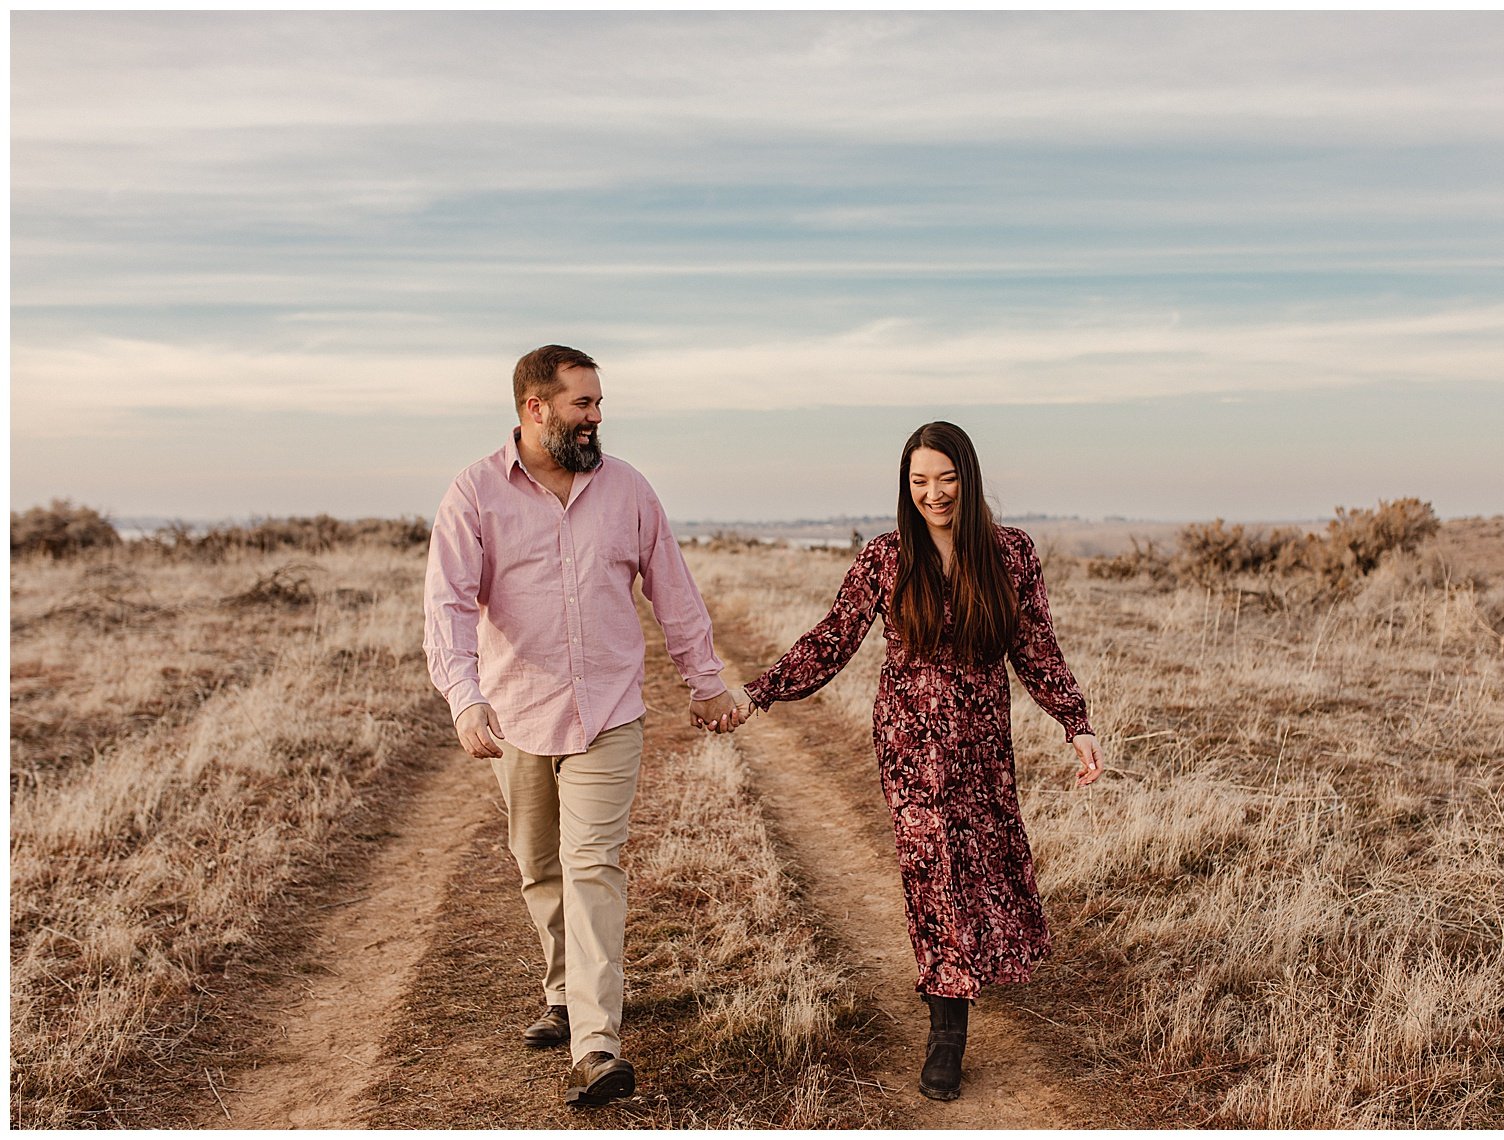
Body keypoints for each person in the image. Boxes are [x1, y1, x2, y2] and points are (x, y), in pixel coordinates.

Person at [729, 420, 1103, 1102]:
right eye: (919, 481)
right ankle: (946, 1027)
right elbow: (833, 639)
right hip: (909, 744)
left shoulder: (1010, 553)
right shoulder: (886, 557)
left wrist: (1075, 723)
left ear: (970, 476)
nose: (934, 493)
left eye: (947, 478)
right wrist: (760, 691)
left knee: (982, 865)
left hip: (983, 742)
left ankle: (966, 976)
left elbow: (1036, 649)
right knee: (931, 871)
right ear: (906, 486)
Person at [422, 344, 739, 1108]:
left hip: (607, 712)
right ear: (536, 408)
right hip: (519, 715)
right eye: (583, 404)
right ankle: (563, 993)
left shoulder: (627, 489)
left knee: (592, 864)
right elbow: (450, 606)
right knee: (538, 866)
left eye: (599, 404)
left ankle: (597, 1042)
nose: (598, 418)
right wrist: (465, 699)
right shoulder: (474, 494)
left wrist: (706, 684)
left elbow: (673, 591)